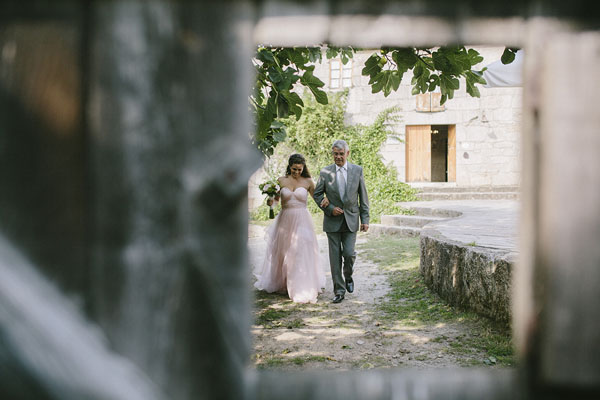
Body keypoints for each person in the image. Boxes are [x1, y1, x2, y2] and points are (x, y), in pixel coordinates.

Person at [253, 153, 326, 303]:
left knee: (299, 250)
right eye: (294, 169)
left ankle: (300, 286)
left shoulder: (308, 182)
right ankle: (285, 283)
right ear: (289, 167)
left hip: (302, 219)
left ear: (303, 168)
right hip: (285, 220)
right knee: (284, 251)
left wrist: (328, 206)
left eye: (299, 169)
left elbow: (318, 199)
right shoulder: (281, 181)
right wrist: (270, 202)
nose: (297, 172)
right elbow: (275, 201)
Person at [313, 140, 369, 303]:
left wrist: (365, 219)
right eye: (335, 154)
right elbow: (317, 195)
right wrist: (329, 208)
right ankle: (339, 290)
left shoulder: (357, 170)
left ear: (347, 153)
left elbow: (363, 196)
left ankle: (348, 276)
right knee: (335, 257)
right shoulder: (325, 172)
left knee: (349, 254)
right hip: (332, 221)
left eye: (341, 154)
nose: (338, 157)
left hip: (352, 218)